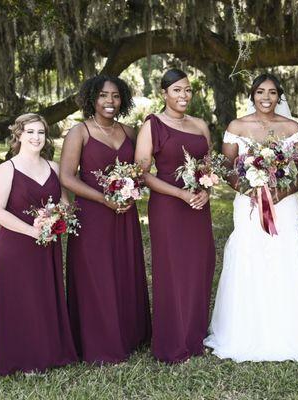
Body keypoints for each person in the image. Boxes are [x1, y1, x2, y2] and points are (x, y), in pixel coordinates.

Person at [204, 73, 298, 361]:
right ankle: (243, 330)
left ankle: (291, 328)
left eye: (272, 93)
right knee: (249, 251)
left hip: (283, 204)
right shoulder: (237, 126)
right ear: (252, 95)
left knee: (284, 252)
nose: (266, 97)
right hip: (248, 204)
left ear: (279, 97)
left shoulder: (291, 127)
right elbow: (226, 168)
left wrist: (283, 193)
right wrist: (247, 189)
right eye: (260, 92)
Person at [60, 75, 151, 364]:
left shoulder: (130, 132)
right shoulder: (80, 132)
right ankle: (98, 341)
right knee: (95, 276)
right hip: (92, 216)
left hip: (124, 213)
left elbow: (142, 168)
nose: (109, 101)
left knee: (125, 269)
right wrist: (103, 198)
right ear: (92, 99)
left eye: (115, 96)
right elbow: (65, 176)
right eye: (102, 96)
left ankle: (129, 335)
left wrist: (131, 191)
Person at [135, 69, 215, 363]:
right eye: (177, 90)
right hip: (168, 207)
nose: (183, 96)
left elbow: (207, 168)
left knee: (200, 266)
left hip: (198, 205)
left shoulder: (200, 126)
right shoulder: (152, 125)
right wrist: (180, 194)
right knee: (171, 270)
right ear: (164, 93)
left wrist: (206, 191)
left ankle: (194, 338)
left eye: (188, 90)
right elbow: (142, 174)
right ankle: (170, 343)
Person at [0, 113, 77, 375]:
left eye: (40, 132)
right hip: (16, 246)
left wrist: (58, 216)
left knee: (43, 297)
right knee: (21, 299)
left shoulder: (53, 167)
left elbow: (64, 203)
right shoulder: (8, 169)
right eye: (30, 132)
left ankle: (48, 352)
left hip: (47, 244)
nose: (36, 137)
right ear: (18, 135)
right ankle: (23, 358)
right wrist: (32, 229)